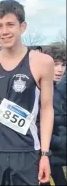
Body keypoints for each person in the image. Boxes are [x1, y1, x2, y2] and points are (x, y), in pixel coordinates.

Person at [0, 0, 54, 185]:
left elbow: (47, 109)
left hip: (26, 150)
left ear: (22, 27)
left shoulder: (42, 62)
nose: (4, 31)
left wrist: (45, 154)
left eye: (10, 24)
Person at [38, 46, 66, 186]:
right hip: (41, 152)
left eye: (63, 65)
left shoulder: (60, 90)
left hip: (56, 152)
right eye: (55, 64)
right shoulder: (36, 91)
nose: (60, 69)